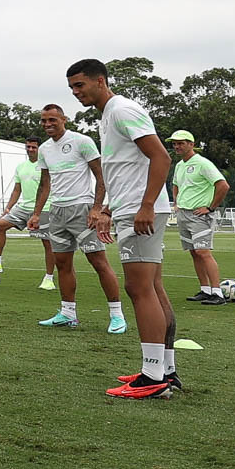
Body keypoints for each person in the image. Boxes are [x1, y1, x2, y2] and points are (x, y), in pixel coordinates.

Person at [66, 59, 180, 399]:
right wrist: (109, 209)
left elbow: (161, 157)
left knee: (139, 288)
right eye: (71, 87)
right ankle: (165, 370)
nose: (76, 93)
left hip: (141, 212)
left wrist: (145, 206)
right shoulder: (108, 115)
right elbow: (125, 169)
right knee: (153, 288)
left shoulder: (122, 109)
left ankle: (152, 377)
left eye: (80, 85)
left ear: (100, 81)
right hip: (131, 209)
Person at [26, 104, 127, 333]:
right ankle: (68, 314)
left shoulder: (82, 141)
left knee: (98, 262)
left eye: (52, 119)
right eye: (43, 120)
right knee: (62, 264)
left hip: (82, 209)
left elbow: (100, 175)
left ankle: (117, 315)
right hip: (57, 212)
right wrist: (36, 213)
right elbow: (45, 183)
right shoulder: (44, 149)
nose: (47, 124)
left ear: (64, 119)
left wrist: (97, 208)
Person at [0, 138, 58, 288]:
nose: (31, 150)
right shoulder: (21, 167)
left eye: (34, 147)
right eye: (28, 147)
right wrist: (8, 207)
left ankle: (49, 278)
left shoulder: (47, 165)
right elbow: (17, 189)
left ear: (39, 149)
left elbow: (48, 187)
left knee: (48, 243)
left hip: (44, 208)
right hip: (24, 208)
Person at [167, 130, 231, 305]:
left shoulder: (203, 163)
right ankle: (205, 289)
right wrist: (176, 203)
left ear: (191, 144)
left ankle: (217, 293)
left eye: (180, 143)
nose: (177, 146)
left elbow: (223, 185)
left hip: (199, 215)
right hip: (184, 214)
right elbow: (175, 185)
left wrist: (210, 207)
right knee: (194, 252)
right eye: (174, 143)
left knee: (203, 252)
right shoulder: (179, 165)